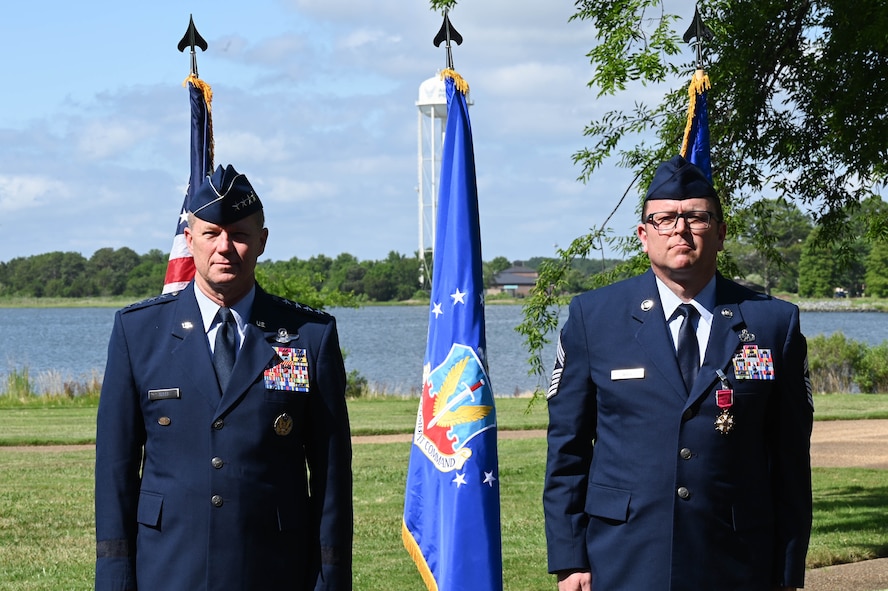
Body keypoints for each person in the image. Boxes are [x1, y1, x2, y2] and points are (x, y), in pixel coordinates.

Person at [543, 155, 812, 591]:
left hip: (737, 559)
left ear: (722, 233)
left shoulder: (771, 323)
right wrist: (570, 558)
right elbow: (567, 451)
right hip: (623, 554)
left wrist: (786, 567)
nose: (680, 230)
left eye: (697, 217)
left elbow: (790, 460)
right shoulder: (595, 318)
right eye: (665, 219)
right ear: (643, 236)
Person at [95, 164, 353, 591]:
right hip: (169, 568)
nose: (225, 248)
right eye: (212, 234)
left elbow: (331, 475)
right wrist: (114, 579)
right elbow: (115, 472)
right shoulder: (138, 333)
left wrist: (331, 577)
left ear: (262, 241)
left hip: (274, 570)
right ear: (190, 238)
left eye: (239, 234)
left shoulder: (310, 336)